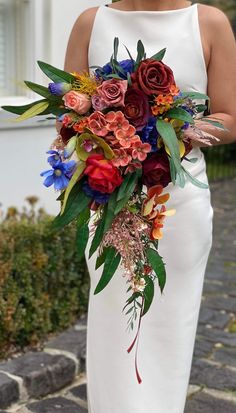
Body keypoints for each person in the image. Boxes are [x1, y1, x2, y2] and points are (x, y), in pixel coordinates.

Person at [63, 1, 236, 412]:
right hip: (109, 202)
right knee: (111, 323)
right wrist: (107, 129)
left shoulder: (208, 22)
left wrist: (173, 130)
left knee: (168, 328)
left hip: (180, 204)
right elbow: (67, 113)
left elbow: (230, 116)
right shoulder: (91, 22)